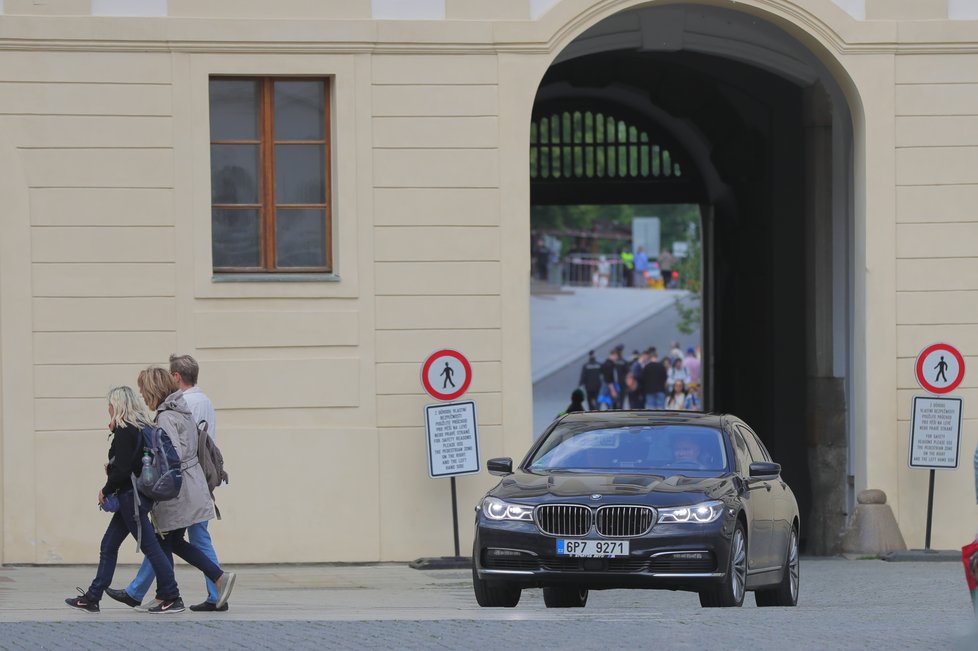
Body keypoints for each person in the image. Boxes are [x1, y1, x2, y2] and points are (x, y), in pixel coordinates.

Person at [105, 367, 235, 612]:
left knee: (166, 539)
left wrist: (145, 469)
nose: (142, 395)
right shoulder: (180, 410)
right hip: (190, 484)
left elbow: (168, 455)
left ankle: (196, 585)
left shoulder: (166, 416)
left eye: (144, 389)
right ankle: (170, 594)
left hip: (177, 491)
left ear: (153, 389)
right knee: (170, 540)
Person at [65, 386, 184, 614]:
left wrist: (105, 489)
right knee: (108, 545)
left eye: (110, 404)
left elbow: (122, 469)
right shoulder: (141, 427)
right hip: (135, 497)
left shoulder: (124, 429)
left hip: (131, 499)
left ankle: (172, 595)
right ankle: (93, 596)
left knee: (151, 548)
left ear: (117, 405)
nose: (108, 408)